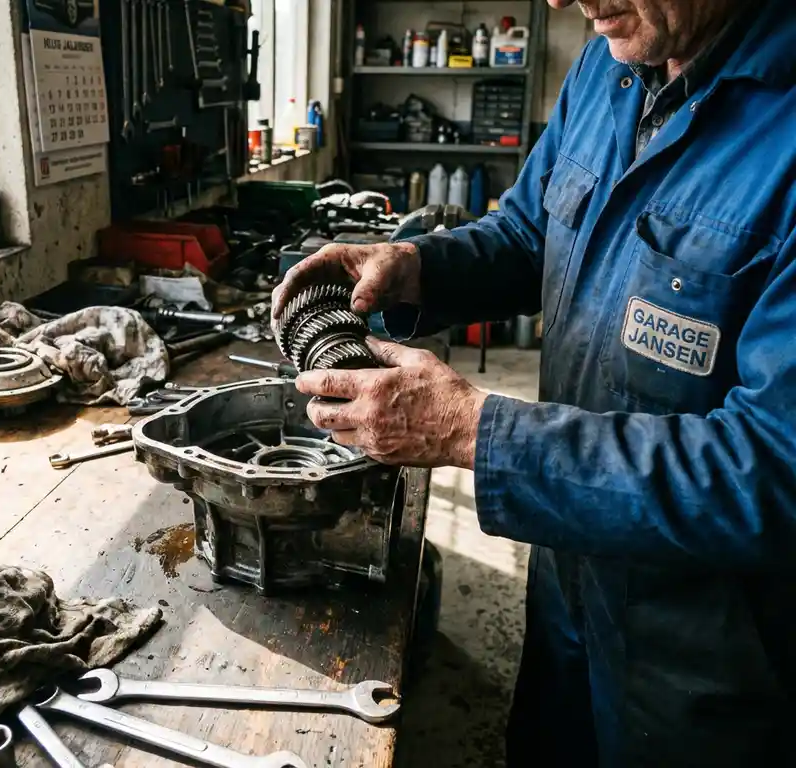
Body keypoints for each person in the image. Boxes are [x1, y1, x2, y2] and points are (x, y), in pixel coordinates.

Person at [272, 0, 796, 764]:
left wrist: (473, 431)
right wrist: (416, 267)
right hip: (570, 566)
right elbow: (528, 233)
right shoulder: (606, 68)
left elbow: (775, 469)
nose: (560, 1)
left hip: (712, 648)